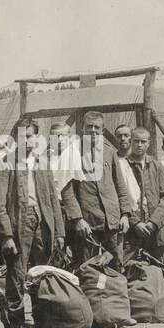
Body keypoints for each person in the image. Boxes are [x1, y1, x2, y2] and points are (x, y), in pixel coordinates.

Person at [0, 120, 67, 328]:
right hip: (19, 222)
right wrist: (6, 234)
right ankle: (16, 325)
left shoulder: (42, 163)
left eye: (31, 136)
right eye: (23, 136)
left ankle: (42, 322)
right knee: (17, 271)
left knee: (42, 270)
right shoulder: (5, 164)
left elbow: (53, 199)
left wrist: (59, 231)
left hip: (42, 220)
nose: (28, 141)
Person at [62, 111, 134, 265]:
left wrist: (125, 215)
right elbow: (67, 191)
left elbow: (120, 185)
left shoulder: (110, 152)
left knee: (116, 267)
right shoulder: (72, 152)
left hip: (113, 222)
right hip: (88, 224)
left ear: (102, 130)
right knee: (89, 270)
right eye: (89, 127)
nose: (93, 130)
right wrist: (78, 219)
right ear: (82, 128)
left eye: (97, 127)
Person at [121, 127, 164, 264]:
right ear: (130, 142)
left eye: (143, 141)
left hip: (156, 232)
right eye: (136, 141)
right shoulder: (123, 166)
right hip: (132, 233)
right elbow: (121, 198)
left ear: (149, 143)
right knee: (132, 270)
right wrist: (135, 223)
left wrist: (153, 223)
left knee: (157, 271)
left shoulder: (157, 166)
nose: (139, 145)